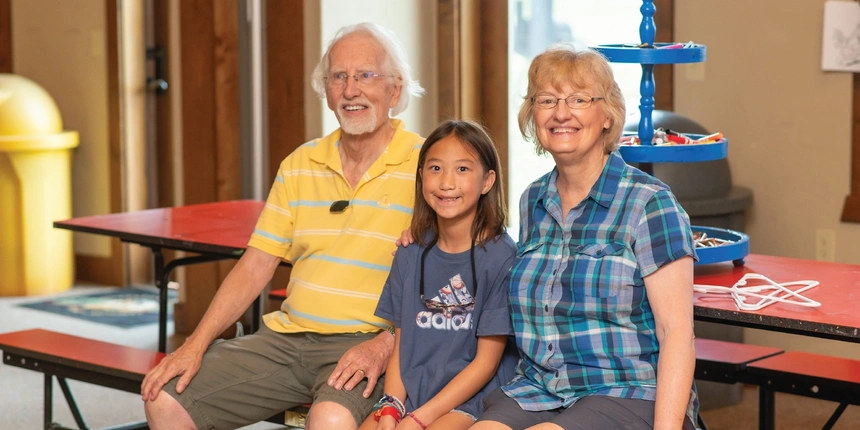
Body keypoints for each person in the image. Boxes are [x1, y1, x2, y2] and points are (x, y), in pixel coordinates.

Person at [141, 22, 425, 430]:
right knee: (165, 399)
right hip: (286, 339)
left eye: (365, 75)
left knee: (329, 420)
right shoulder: (299, 164)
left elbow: (449, 279)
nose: (351, 90)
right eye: (338, 77)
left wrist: (387, 343)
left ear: (395, 90)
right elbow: (256, 265)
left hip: (368, 341)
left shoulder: (428, 166)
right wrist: (194, 344)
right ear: (326, 90)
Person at [472, 46, 698, 430]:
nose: (561, 113)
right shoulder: (532, 200)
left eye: (579, 99)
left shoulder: (649, 203)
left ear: (608, 115)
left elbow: (677, 333)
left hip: (628, 390)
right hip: (541, 390)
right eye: (547, 100)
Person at [359, 120, 519, 430]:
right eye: (435, 168)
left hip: (474, 398)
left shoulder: (501, 257)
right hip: (414, 392)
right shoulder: (409, 253)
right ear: (421, 177)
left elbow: (486, 365)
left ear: (487, 181)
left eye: (462, 169)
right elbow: (402, 347)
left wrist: (419, 419)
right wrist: (392, 407)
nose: (446, 182)